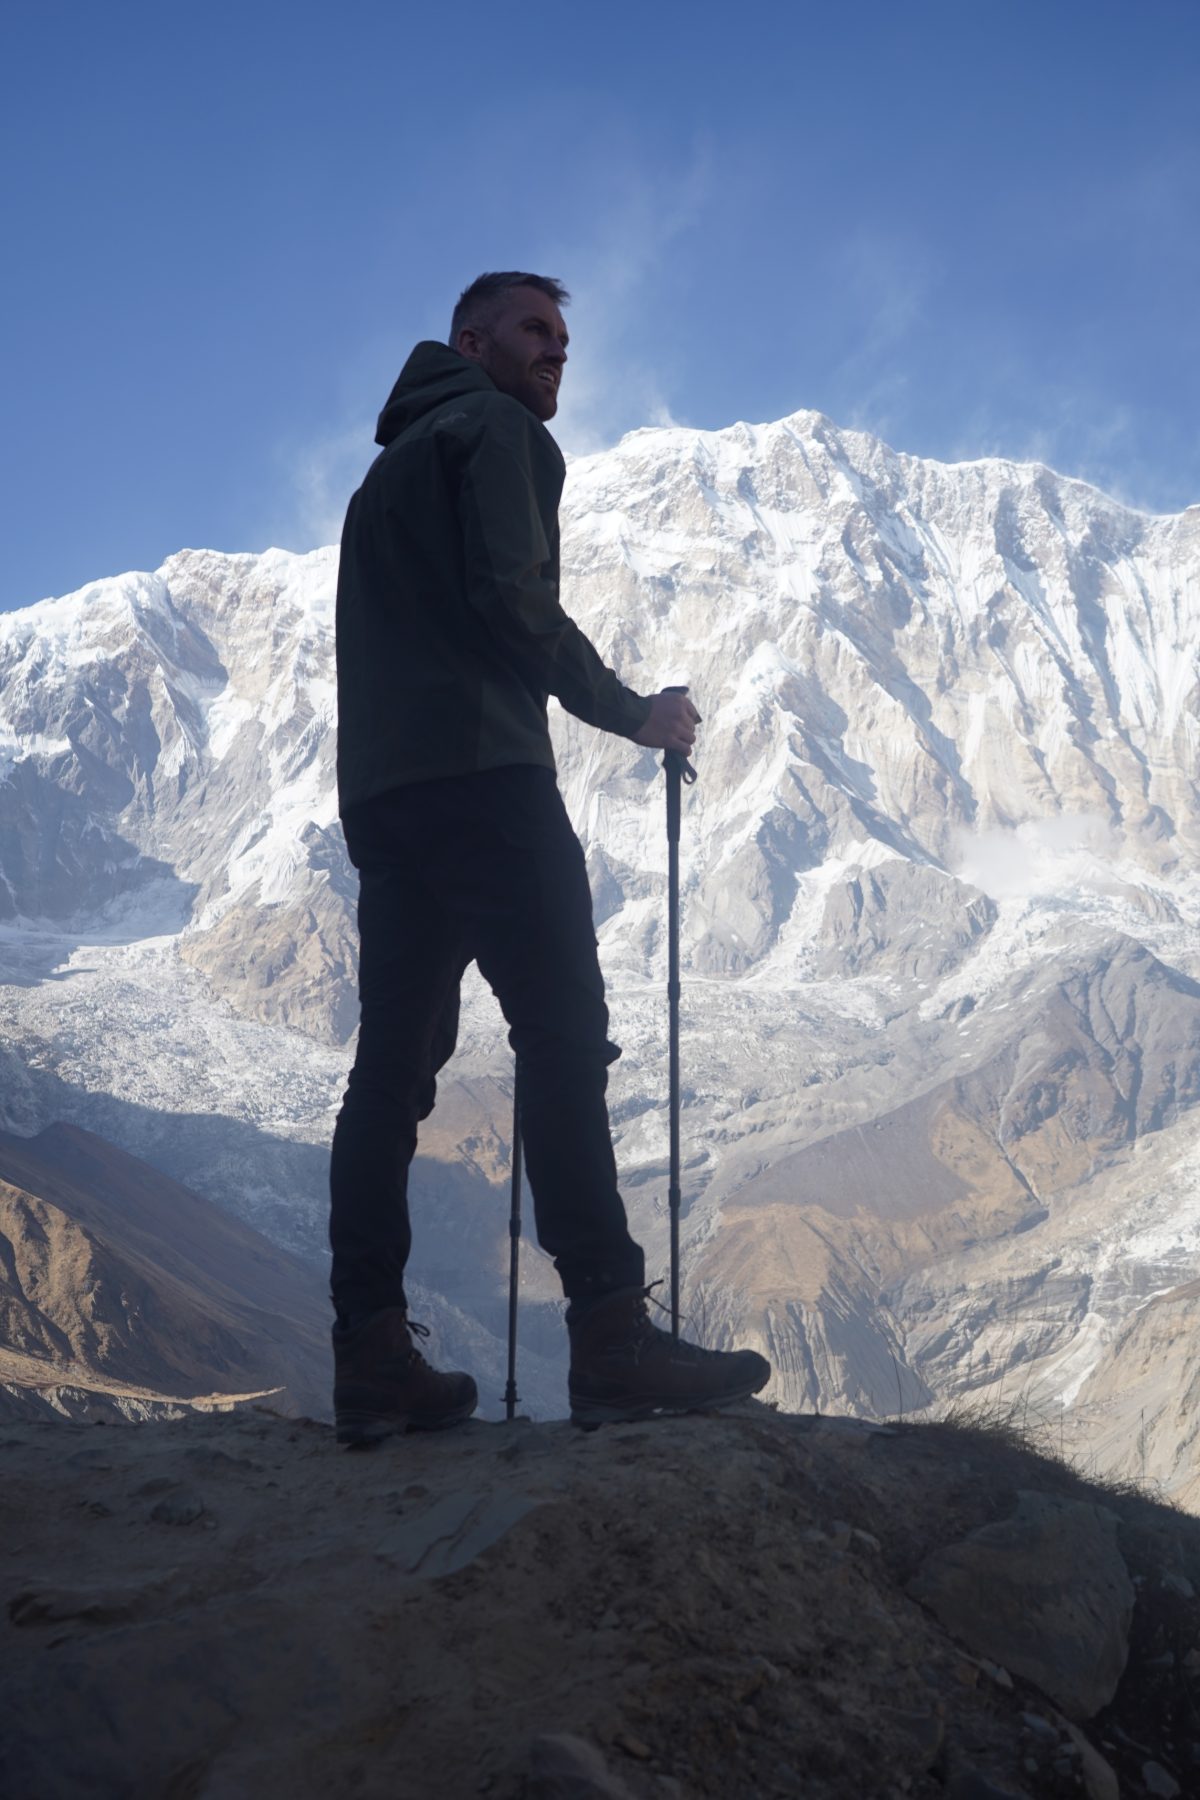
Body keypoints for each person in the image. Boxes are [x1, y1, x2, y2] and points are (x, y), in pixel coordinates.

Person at [329, 271, 771, 1446]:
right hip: (487, 779)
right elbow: (514, 602)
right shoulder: (498, 431)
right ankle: (613, 1339)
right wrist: (633, 713)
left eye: (564, 340)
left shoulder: (382, 479)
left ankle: (367, 1348)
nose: (555, 355)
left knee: (391, 1074)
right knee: (565, 1037)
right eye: (535, 331)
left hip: (386, 797)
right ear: (471, 340)